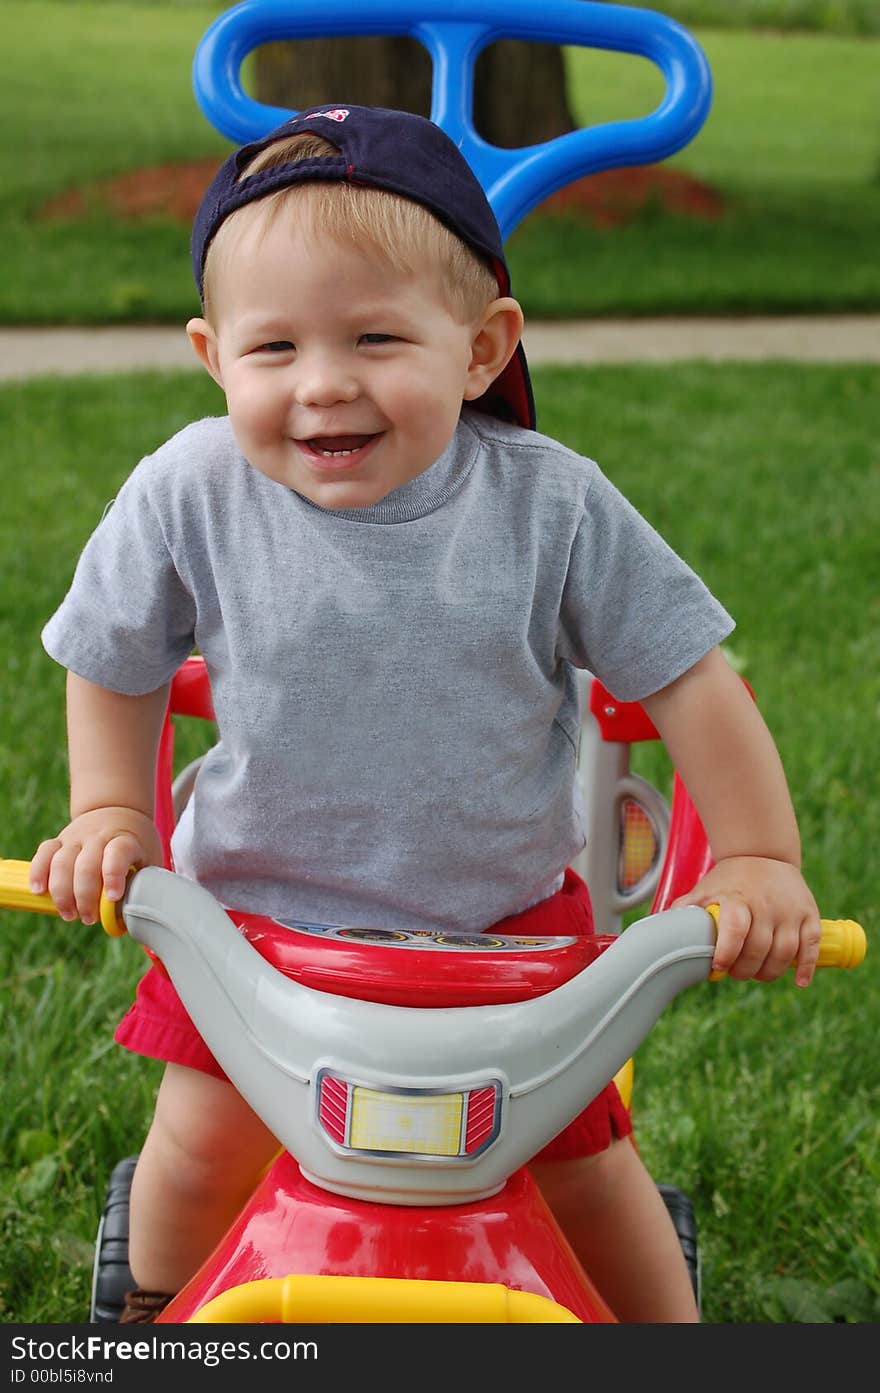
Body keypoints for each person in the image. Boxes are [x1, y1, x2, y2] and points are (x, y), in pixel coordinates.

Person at [30, 105, 820, 1324]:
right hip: (251, 927)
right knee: (188, 1169)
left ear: (481, 346)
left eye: (376, 336)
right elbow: (113, 655)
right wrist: (109, 811)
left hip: (500, 935)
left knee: (591, 1181)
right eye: (274, 348)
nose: (324, 383)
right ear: (210, 354)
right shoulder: (187, 489)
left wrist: (761, 858)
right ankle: (155, 1318)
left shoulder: (549, 505)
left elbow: (689, 675)